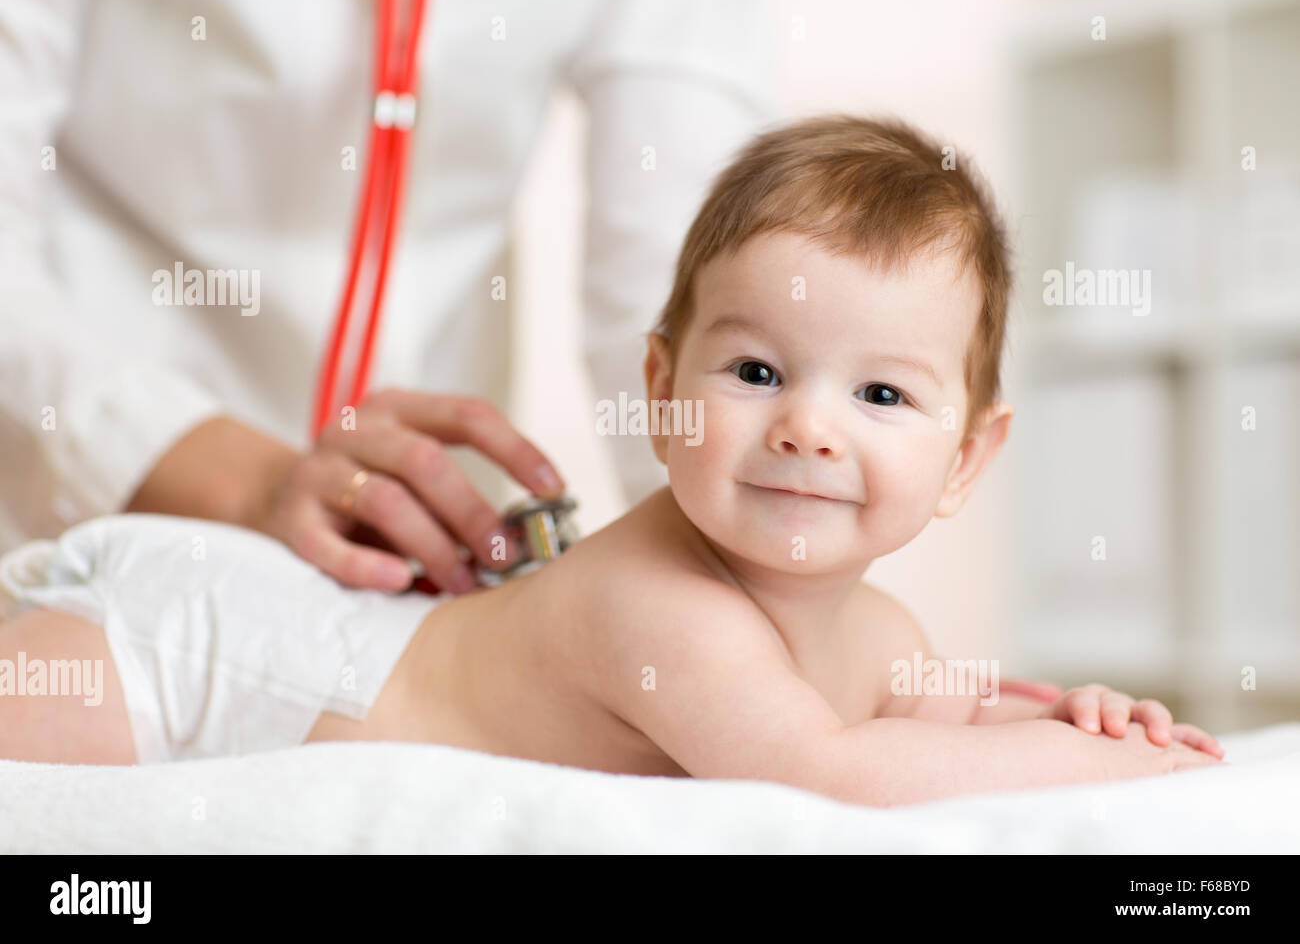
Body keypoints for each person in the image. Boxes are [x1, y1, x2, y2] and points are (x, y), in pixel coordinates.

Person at [0, 115, 1224, 806]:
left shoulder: (884, 631)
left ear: (966, 458)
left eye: (882, 393)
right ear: (662, 390)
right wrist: (1093, 762)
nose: (808, 426)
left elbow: (939, 704)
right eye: (753, 373)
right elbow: (827, 767)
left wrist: (1072, 707)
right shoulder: (668, 606)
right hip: (227, 653)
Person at [0, 0, 779, 593]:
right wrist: (244, 480)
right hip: (85, 493)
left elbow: (685, 259)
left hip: (425, 536)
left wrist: (747, 572)